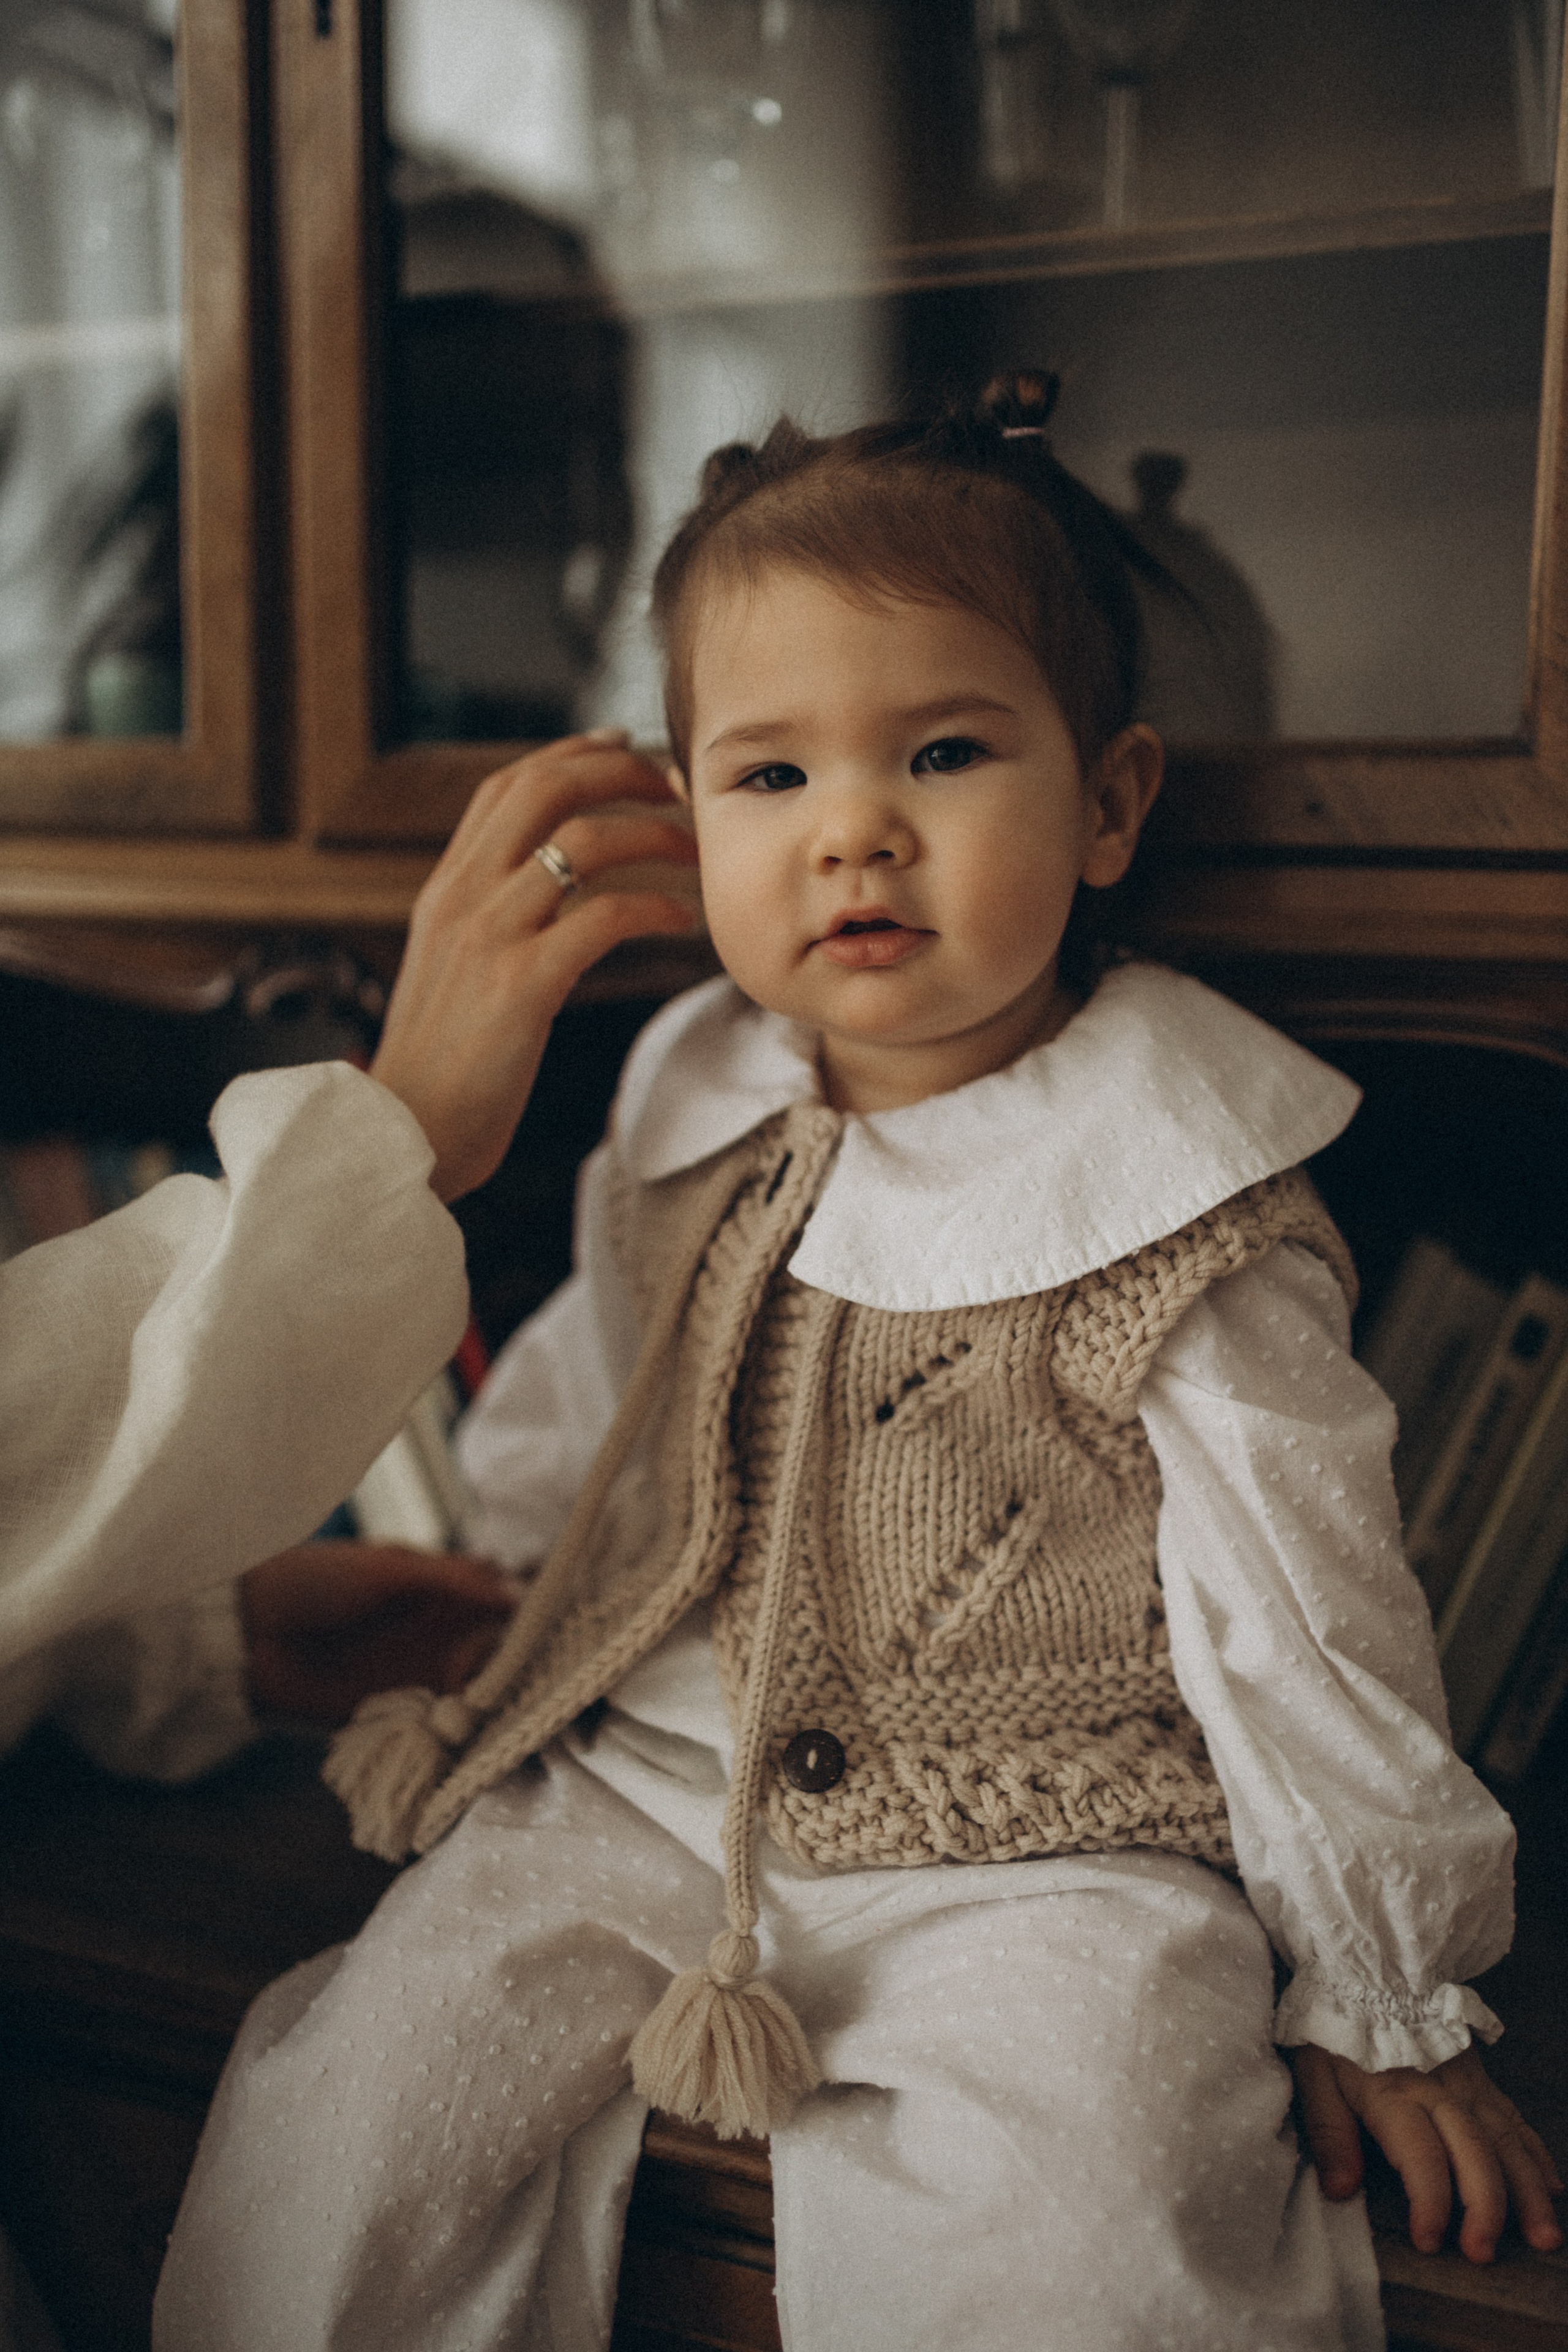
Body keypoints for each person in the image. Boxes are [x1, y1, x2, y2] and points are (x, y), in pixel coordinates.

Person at [154, 377, 1561, 2352]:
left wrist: (1387, 1993)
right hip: (647, 1788)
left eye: (946, 750)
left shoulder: (1182, 1191)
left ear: (1110, 800)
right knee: (342, 2118)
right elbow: (609, 1373)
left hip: (1052, 1851)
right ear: (686, 807)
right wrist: (514, 1587)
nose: (855, 837)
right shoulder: (689, 1092)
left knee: (1107, 2226)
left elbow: (1308, 1623)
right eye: (770, 779)